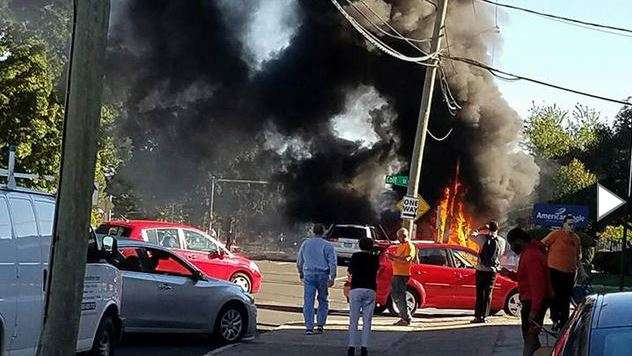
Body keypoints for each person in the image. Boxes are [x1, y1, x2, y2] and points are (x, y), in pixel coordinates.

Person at [505, 227, 551, 356]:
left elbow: (538, 285)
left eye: (512, 244)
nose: (512, 248)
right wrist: (509, 274)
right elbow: (525, 277)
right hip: (531, 301)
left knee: (529, 337)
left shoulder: (532, 255)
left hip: (532, 302)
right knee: (531, 337)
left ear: (519, 241)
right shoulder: (529, 252)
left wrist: (534, 310)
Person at [542, 215, 582, 330]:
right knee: (555, 295)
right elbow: (543, 244)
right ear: (564, 224)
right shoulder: (556, 234)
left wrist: (581, 271)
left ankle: (564, 322)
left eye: (573, 224)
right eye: (569, 224)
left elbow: (578, 256)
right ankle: (555, 320)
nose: (572, 226)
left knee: (566, 297)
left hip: (570, 272)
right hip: (554, 269)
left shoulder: (576, 238)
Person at [297, 223, 337, 335]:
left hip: (308, 274)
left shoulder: (306, 244)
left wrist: (300, 272)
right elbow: (332, 263)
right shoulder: (327, 245)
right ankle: (320, 325)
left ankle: (309, 327)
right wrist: (332, 277)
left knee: (308, 301)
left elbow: (300, 261)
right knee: (323, 300)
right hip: (323, 275)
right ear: (323, 232)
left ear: (313, 232)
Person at [347, 238, 380, 356]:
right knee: (367, 321)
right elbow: (377, 270)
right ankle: (364, 347)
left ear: (360, 246)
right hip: (370, 289)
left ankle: (351, 346)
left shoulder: (355, 256)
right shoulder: (375, 258)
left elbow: (350, 270)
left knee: (353, 320)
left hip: (356, 288)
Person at [470, 220, 506, 323]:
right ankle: (485, 317)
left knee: (480, 293)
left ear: (488, 228)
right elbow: (500, 255)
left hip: (481, 269)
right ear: (497, 229)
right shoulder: (502, 241)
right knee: (488, 293)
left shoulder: (482, 238)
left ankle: (477, 317)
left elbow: (471, 236)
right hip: (492, 271)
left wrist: (480, 228)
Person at [386, 227, 416, 326]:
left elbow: (406, 260)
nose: (397, 238)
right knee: (396, 296)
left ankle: (405, 318)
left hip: (402, 275)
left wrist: (393, 257)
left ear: (403, 236)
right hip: (397, 274)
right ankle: (405, 316)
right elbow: (398, 259)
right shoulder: (400, 245)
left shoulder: (409, 246)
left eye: (398, 236)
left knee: (400, 296)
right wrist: (391, 257)